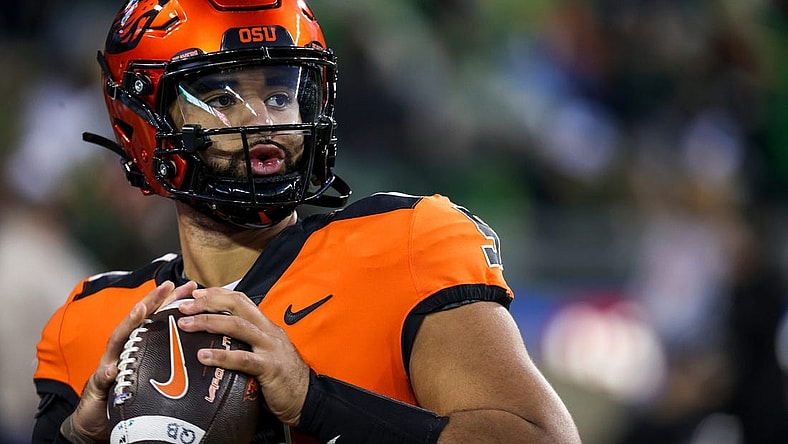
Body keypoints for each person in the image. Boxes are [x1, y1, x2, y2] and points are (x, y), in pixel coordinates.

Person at [32, 0, 581, 443]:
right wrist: (80, 436)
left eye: (279, 91)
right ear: (142, 120)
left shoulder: (407, 245)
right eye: (221, 96)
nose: (262, 119)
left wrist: (315, 402)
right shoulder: (88, 321)